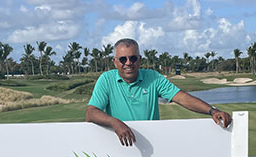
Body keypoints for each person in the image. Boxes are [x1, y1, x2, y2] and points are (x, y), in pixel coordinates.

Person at [86, 38, 232, 146]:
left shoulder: (153, 77)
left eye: (133, 58)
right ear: (115, 62)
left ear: (139, 60)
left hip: (151, 144)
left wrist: (211, 110)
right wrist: (115, 122)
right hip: (119, 144)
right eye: (123, 59)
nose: (128, 63)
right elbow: (91, 112)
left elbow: (181, 97)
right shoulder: (106, 79)